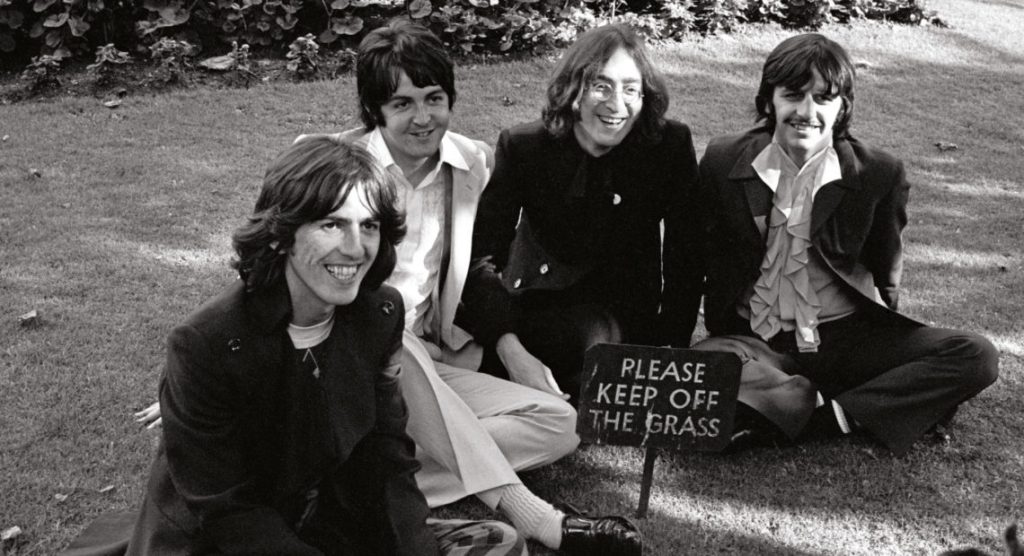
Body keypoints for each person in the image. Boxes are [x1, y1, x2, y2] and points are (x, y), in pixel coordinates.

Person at [135, 20, 640, 556]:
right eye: (402, 103)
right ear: (375, 110)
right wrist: (204, 382)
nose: (422, 117)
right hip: (356, 346)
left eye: (434, 98)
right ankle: (532, 514)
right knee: (389, 335)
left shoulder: (472, 163)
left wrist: (510, 349)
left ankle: (347, 488)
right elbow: (274, 261)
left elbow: (478, 268)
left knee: (560, 423)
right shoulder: (327, 164)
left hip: (421, 350)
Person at [68, 137, 524, 555]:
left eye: (369, 226)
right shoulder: (205, 345)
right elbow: (227, 511)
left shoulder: (379, 315)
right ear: (280, 233)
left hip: (324, 523)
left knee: (497, 543)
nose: (355, 247)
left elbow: (387, 459)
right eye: (331, 224)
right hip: (219, 542)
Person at [696, 33, 999, 455]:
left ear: (842, 109)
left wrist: (892, 351)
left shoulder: (877, 174)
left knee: (976, 355)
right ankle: (852, 405)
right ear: (769, 101)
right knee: (704, 367)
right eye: (793, 95)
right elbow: (689, 258)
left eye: (824, 98)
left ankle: (819, 415)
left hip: (845, 337)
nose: (807, 111)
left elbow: (886, 264)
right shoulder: (723, 160)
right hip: (755, 341)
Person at [460, 23, 705, 407]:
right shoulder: (525, 147)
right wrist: (511, 350)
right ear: (573, 90)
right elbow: (480, 259)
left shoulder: (668, 146)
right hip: (543, 304)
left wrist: (670, 352)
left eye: (630, 89)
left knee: (603, 347)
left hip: (628, 311)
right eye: (601, 86)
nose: (617, 105)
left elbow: (685, 256)